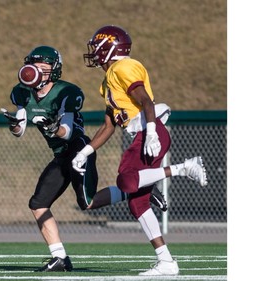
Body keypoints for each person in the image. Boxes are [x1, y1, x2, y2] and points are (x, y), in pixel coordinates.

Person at [3, 45, 169, 272]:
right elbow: (19, 130)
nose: (38, 71)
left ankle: (137, 189)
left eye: (44, 67)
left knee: (87, 203)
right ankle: (60, 257)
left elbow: (68, 131)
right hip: (60, 155)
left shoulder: (66, 92)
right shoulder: (22, 93)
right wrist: (14, 124)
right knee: (38, 204)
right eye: (36, 66)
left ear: (54, 70)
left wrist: (54, 129)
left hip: (77, 149)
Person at [72, 25, 208, 276]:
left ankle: (182, 168)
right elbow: (108, 126)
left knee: (125, 179)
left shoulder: (123, 67)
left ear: (110, 47)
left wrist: (153, 132)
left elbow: (146, 100)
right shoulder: (108, 80)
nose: (93, 52)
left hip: (147, 132)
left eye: (97, 46)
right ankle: (166, 261)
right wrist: (85, 152)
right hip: (141, 132)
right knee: (137, 205)